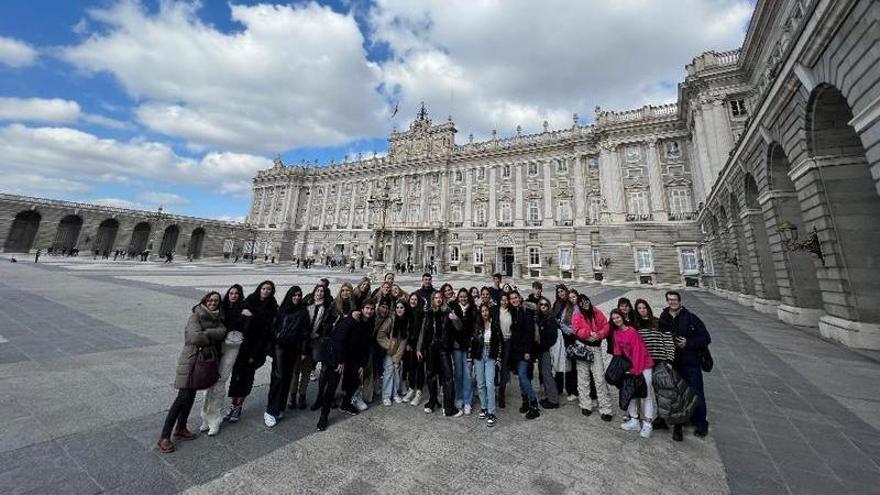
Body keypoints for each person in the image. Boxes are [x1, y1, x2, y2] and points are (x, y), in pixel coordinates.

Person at [158, 291, 227, 453]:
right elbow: (194, 337)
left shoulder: (217, 318)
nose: (212, 303)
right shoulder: (195, 316)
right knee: (182, 398)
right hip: (191, 361)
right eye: (210, 300)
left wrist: (208, 333)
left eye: (216, 301)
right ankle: (164, 436)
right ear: (205, 300)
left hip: (202, 362)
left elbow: (223, 332)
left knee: (190, 396)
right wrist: (212, 334)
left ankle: (181, 428)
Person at [659, 290, 711, 441]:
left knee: (697, 393)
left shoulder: (691, 317)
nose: (672, 302)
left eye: (674, 299)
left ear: (680, 301)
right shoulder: (664, 316)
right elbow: (661, 335)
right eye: (669, 300)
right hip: (674, 362)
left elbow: (705, 338)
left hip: (691, 361)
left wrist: (688, 343)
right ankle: (681, 421)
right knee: (678, 395)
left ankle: (701, 424)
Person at [316, 303, 376, 431]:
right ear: (362, 309)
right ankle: (323, 416)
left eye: (372, 309)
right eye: (367, 308)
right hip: (339, 357)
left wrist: (362, 364)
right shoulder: (351, 320)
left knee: (354, 380)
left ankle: (345, 403)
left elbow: (366, 346)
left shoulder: (370, 323)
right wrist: (340, 361)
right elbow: (337, 340)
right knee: (331, 386)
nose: (369, 311)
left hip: (354, 358)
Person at [226, 281, 278, 423]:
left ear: (272, 291)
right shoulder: (249, 301)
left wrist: (253, 317)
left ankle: (239, 406)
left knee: (247, 378)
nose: (266, 291)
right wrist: (242, 313)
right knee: (235, 376)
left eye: (269, 289)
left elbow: (268, 331)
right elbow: (237, 318)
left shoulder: (273, 307)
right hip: (241, 346)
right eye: (263, 288)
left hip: (257, 349)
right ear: (259, 289)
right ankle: (233, 404)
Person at [200, 284, 244, 436]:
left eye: (237, 293)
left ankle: (215, 420)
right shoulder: (221, 309)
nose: (234, 295)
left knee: (220, 382)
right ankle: (205, 417)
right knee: (208, 383)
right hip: (217, 349)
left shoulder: (242, 310)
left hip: (232, 348)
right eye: (231, 293)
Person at [265, 286, 309, 427]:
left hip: (293, 348)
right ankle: (270, 411)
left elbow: (305, 332)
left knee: (287, 378)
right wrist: (277, 336)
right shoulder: (282, 309)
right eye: (294, 295)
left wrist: (303, 350)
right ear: (290, 296)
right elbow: (273, 327)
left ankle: (280, 407)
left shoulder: (303, 311)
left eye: (299, 295)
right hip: (280, 347)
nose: (296, 297)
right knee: (278, 377)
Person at [609, 308, 655, 438]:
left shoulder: (632, 331)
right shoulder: (616, 333)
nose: (616, 320)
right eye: (614, 318)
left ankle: (647, 424)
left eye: (618, 317)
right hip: (629, 368)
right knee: (630, 394)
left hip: (643, 365)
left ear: (623, 317)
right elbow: (618, 352)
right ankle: (634, 420)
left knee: (646, 395)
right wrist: (618, 369)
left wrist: (635, 370)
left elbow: (638, 352)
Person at [633, 299, 676, 431]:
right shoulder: (636, 325)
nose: (642, 310)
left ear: (648, 308)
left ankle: (663, 417)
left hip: (659, 360)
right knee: (647, 389)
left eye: (644, 307)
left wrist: (669, 360)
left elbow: (668, 340)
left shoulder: (658, 322)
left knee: (661, 391)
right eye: (639, 308)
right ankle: (645, 415)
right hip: (645, 361)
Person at [571, 294, 613, 421]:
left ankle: (605, 408)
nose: (585, 304)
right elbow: (576, 330)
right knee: (583, 377)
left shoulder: (597, 312)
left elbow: (606, 326)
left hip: (595, 348)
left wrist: (598, 335)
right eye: (582, 303)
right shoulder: (577, 315)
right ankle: (585, 404)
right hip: (583, 347)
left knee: (599, 378)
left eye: (586, 301)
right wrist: (588, 333)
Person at [418, 291, 460, 417]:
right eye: (435, 297)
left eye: (440, 297)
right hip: (431, 348)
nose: (438, 299)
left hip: (444, 348)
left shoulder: (448, 312)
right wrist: (419, 348)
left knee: (448, 377)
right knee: (431, 376)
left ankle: (449, 407)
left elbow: (459, 327)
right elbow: (423, 331)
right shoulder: (428, 313)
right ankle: (432, 401)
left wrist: (455, 318)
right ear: (432, 299)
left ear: (443, 299)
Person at [509, 291, 540, 419]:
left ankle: (534, 404)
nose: (514, 300)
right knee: (521, 378)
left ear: (520, 298)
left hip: (525, 351)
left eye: (515, 297)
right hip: (515, 351)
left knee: (523, 375)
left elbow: (529, 333)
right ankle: (525, 401)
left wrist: (527, 351)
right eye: (511, 298)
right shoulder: (511, 313)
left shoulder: (526, 313)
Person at [305, 285, 337, 411]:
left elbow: (331, 321)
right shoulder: (307, 302)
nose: (319, 293)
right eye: (318, 290)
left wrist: (325, 329)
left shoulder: (328, 306)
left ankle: (323, 396)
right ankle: (299, 396)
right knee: (302, 368)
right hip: (305, 338)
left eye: (322, 291)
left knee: (324, 366)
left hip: (320, 339)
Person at [471, 303, 502, 427]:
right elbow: (473, 342)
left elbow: (499, 342)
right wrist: (472, 357)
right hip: (479, 355)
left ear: (489, 312)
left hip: (490, 355)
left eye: (486, 310)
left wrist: (498, 359)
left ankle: (491, 412)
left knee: (490, 384)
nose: (484, 313)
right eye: (482, 311)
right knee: (480, 383)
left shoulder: (494, 325)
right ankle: (484, 407)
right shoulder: (477, 325)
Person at [448, 288, 477, 414]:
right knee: (458, 373)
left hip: (468, 346)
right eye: (461, 297)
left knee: (468, 375)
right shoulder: (453, 308)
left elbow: (475, 327)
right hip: (456, 346)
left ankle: (467, 401)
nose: (463, 299)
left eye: (465, 296)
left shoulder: (473, 309)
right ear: (457, 298)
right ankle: (459, 397)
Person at [378, 301, 409, 405]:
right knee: (388, 372)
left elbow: (404, 341)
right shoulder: (391, 319)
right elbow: (381, 334)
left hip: (398, 352)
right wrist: (389, 345)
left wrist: (397, 358)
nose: (399, 309)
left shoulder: (406, 321)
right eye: (397, 307)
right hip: (389, 351)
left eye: (402, 307)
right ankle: (386, 396)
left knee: (397, 372)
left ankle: (395, 394)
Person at [554, 288, 580, 401]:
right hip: (566, 339)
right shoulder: (566, 307)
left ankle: (576, 390)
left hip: (576, 339)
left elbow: (577, 326)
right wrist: (566, 328)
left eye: (573, 297)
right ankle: (570, 389)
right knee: (568, 365)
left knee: (576, 366)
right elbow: (562, 322)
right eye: (570, 297)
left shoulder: (579, 308)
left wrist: (569, 329)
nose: (572, 299)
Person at [536, 297, 560, 410]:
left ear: (549, 306)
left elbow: (552, 338)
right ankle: (548, 396)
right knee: (544, 374)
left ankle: (553, 400)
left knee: (547, 374)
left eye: (545, 305)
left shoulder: (550, 319)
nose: (543, 307)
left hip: (546, 350)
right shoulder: (541, 318)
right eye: (541, 305)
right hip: (541, 350)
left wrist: (542, 346)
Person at [402, 293, 426, 406]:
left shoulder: (421, 313)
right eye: (411, 299)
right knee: (411, 367)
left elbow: (420, 331)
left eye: (415, 299)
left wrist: (418, 347)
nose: (413, 301)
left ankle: (419, 392)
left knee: (419, 367)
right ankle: (411, 389)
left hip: (419, 345)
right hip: (409, 345)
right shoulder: (406, 312)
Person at [496, 292, 514, 409]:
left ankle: (501, 392)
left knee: (505, 367)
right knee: (495, 366)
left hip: (508, 341)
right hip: (497, 341)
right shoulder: (495, 310)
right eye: (502, 299)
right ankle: (493, 390)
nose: (504, 301)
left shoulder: (512, 312)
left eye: (506, 299)